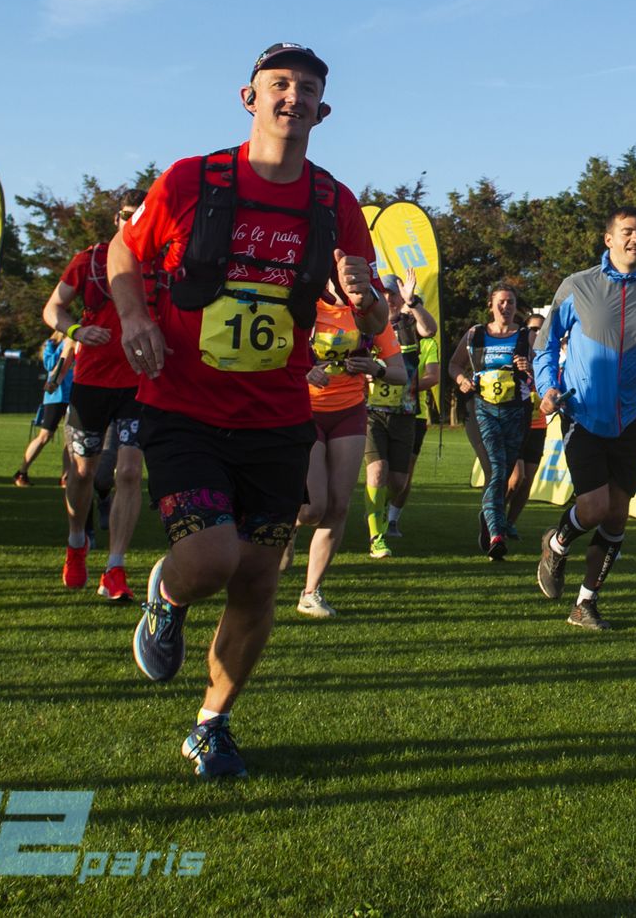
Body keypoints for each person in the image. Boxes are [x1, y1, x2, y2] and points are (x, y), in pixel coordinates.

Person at [117, 42, 385, 779]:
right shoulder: (191, 179)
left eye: (306, 89)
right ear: (249, 97)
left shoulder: (334, 202)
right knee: (211, 557)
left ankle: (212, 723)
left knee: (260, 582)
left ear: (322, 111)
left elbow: (369, 317)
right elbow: (121, 251)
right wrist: (137, 315)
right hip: (185, 407)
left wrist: (367, 298)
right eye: (279, 84)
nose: (292, 96)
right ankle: (168, 593)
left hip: (276, 418)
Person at [534, 208, 636, 631]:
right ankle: (557, 542)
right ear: (609, 239)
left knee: (617, 515)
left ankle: (585, 603)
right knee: (594, 506)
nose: (635, 239)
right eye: (627, 232)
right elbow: (545, 345)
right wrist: (547, 386)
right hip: (581, 412)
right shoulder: (578, 286)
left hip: (629, 417)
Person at [43, 198, 152, 602]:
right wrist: (75, 332)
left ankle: (116, 567)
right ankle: (76, 543)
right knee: (83, 474)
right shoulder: (90, 260)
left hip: (138, 384)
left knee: (128, 474)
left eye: (141, 216)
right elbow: (53, 308)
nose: (133, 223)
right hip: (91, 383)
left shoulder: (160, 263)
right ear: (116, 218)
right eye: (128, 216)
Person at [290, 292, 404, 615]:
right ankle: (288, 529)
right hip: (306, 410)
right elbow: (277, 356)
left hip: (350, 412)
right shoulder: (305, 306)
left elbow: (400, 372)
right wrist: (303, 373)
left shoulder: (370, 314)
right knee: (312, 508)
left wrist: (374, 367)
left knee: (338, 507)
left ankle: (311, 592)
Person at [451, 285, 534, 561]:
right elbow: (454, 365)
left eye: (510, 302)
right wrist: (462, 381)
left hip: (515, 413)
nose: (505, 307)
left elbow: (540, 371)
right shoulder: (476, 333)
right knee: (497, 471)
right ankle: (496, 535)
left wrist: (528, 368)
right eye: (500, 302)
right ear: (490, 305)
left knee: (507, 474)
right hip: (481, 410)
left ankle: (489, 520)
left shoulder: (525, 336)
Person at [362, 275, 436, 556]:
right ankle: (376, 538)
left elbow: (429, 330)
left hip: (405, 413)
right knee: (377, 472)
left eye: (393, 294)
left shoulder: (408, 324)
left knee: (397, 483)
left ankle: (378, 511)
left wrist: (412, 302)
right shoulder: (366, 324)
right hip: (372, 411)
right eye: (384, 293)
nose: (389, 298)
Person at [506, 310, 549, 533]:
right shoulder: (516, 355)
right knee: (516, 478)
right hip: (516, 425)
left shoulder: (546, 359)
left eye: (543, 329)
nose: (538, 333)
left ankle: (510, 523)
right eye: (534, 329)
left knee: (527, 481)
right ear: (525, 331)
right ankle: (493, 517)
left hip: (539, 425)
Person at [15, 331, 73, 487]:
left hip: (73, 394)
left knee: (70, 439)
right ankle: (22, 472)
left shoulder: (76, 342)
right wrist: (63, 347)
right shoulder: (53, 345)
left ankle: (66, 477)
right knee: (45, 435)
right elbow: (49, 365)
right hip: (56, 396)